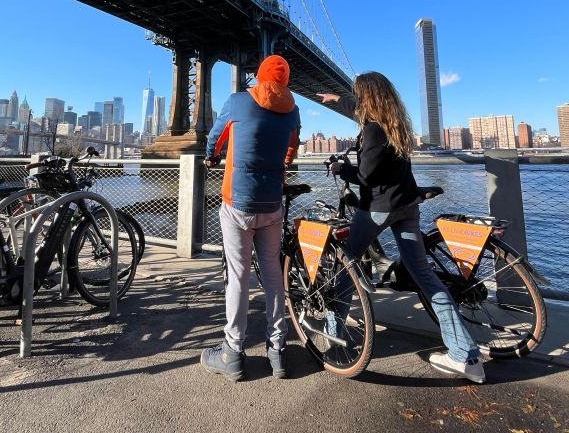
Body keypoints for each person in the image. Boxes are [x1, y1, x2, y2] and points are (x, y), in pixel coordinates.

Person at [318, 71, 485, 383]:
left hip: (378, 209)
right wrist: (337, 100)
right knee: (424, 276)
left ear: (366, 98)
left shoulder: (371, 132)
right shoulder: (395, 126)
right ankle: (466, 356)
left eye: (357, 95)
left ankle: (333, 334)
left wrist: (343, 168)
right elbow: (356, 108)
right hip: (407, 206)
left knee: (346, 264)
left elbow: (366, 178)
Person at [200, 55, 301, 381]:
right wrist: (282, 164)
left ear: (258, 76)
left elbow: (215, 138)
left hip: (238, 204)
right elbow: (291, 148)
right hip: (272, 205)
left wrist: (210, 158)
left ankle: (233, 352)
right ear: (285, 81)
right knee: (273, 276)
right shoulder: (293, 110)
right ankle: (277, 351)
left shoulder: (238, 101)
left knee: (238, 276)